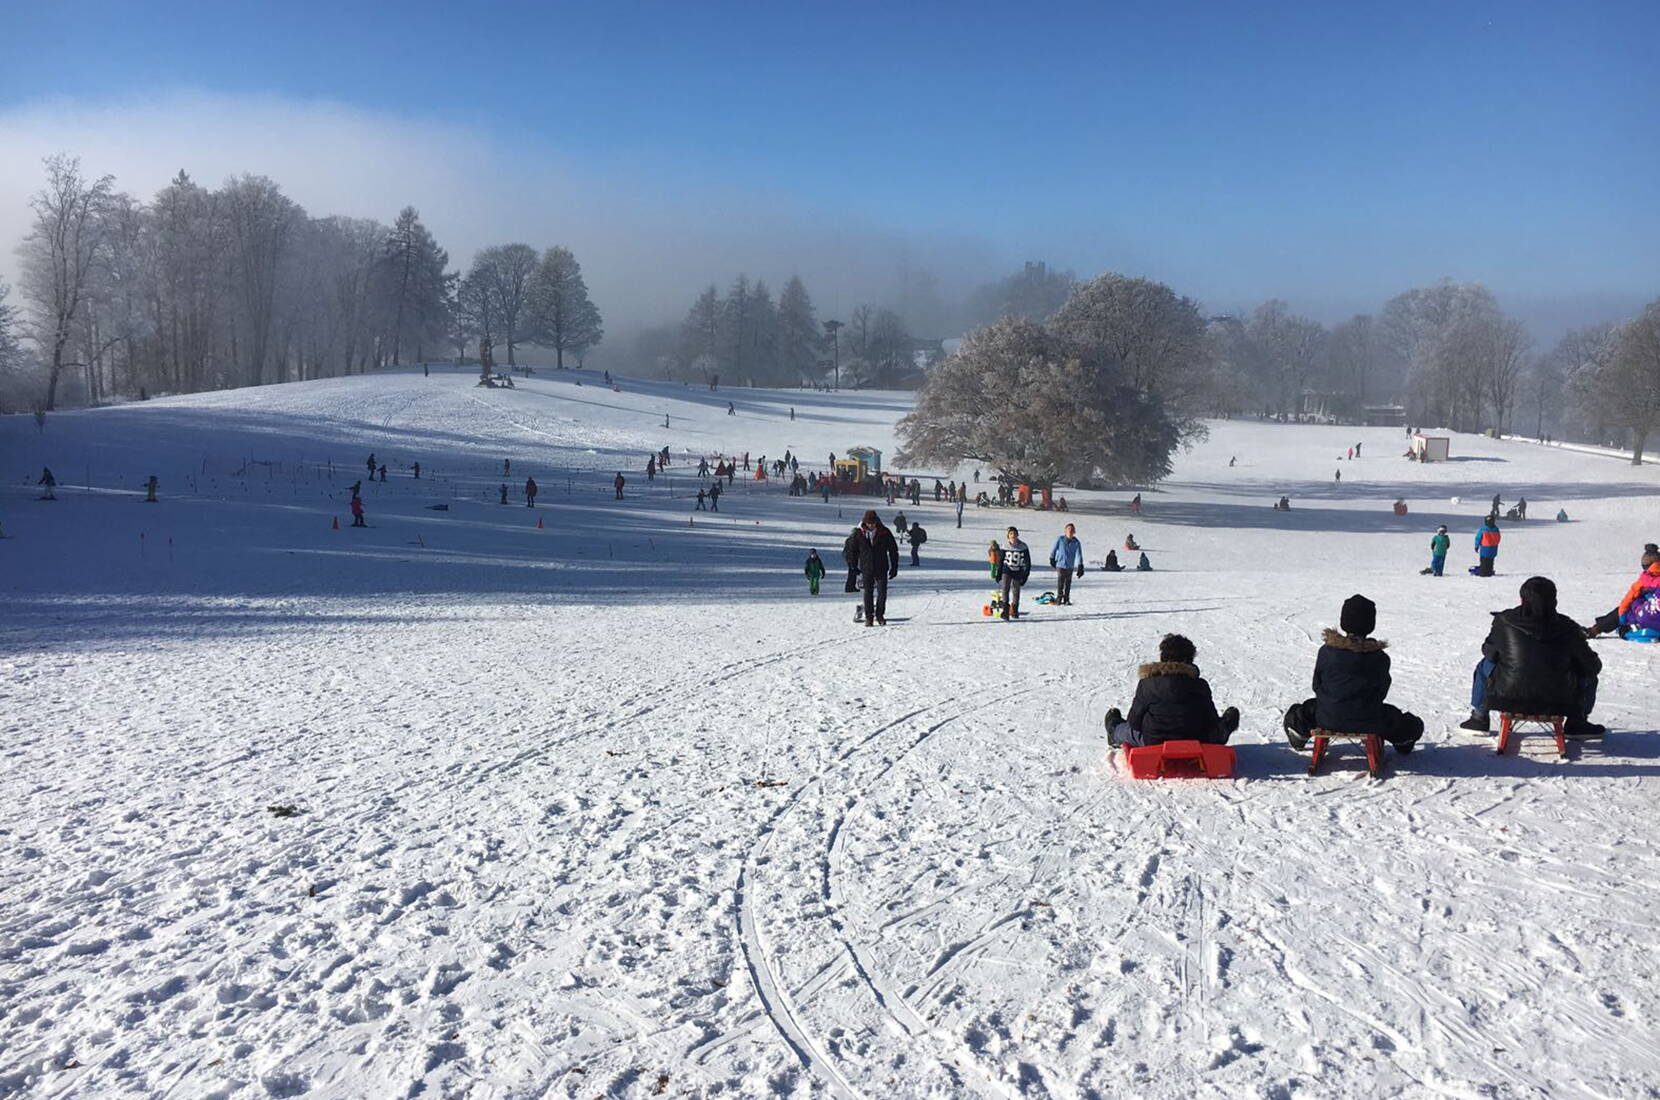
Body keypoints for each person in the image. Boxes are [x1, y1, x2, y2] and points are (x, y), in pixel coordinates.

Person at [1459, 576, 1602, 737]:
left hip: (1507, 696)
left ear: (1522, 600)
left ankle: (1479, 718)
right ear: (1554, 600)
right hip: (1559, 700)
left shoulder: (1505, 621)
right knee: (1587, 673)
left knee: (1485, 664)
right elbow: (1592, 666)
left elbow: (1489, 652)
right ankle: (1577, 721)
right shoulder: (1568, 627)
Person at [1282, 595, 1424, 753]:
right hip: (1370, 718)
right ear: (1371, 625)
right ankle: (1404, 739)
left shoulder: (1327, 652)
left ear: (1344, 622)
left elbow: (1317, 685)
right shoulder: (1380, 658)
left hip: (1327, 716)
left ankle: (1299, 735)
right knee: (1401, 720)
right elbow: (1382, 691)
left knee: (1301, 711)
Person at [1103, 633, 1240, 747]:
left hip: (1154, 741)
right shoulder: (1199, 685)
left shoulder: (1147, 684)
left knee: (1127, 730)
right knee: (1218, 729)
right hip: (1195, 740)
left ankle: (1113, 728)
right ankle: (1225, 726)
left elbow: (1134, 722)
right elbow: (1211, 721)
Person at [1588, 545, 1660, 638]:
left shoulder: (1645, 579)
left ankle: (1595, 630)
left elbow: (1630, 597)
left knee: (1623, 611)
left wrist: (1622, 612)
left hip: (1646, 611)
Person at [854, 511, 900, 626]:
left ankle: (879, 615)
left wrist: (894, 567)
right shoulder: (858, 533)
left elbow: (893, 550)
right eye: (869, 523)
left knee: (882, 592)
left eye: (873, 523)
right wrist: (853, 566)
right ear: (865, 522)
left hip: (881, 566)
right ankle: (869, 617)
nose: (871, 526)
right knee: (868, 592)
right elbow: (851, 551)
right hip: (866, 567)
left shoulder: (884, 532)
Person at [997, 526, 1031, 620]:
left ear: (1017, 535)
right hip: (1007, 570)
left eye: (1015, 533)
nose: (1013, 535)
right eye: (1011, 534)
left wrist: (1025, 575)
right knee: (1005, 589)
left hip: (1018, 570)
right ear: (1008, 536)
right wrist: (999, 573)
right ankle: (1005, 610)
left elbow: (1028, 562)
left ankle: (1015, 609)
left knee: (1016, 590)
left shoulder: (1023, 546)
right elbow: (1000, 560)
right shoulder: (1005, 546)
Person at [1050, 523, 1084, 605]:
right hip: (1060, 564)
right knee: (1061, 581)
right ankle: (1059, 598)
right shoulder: (1060, 539)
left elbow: (1079, 554)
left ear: (1074, 532)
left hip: (1069, 565)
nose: (1070, 531)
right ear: (1065, 531)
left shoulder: (1076, 542)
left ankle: (1066, 599)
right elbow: (1054, 549)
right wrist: (1052, 558)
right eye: (1068, 529)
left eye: (1072, 530)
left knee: (1068, 582)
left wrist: (1080, 566)